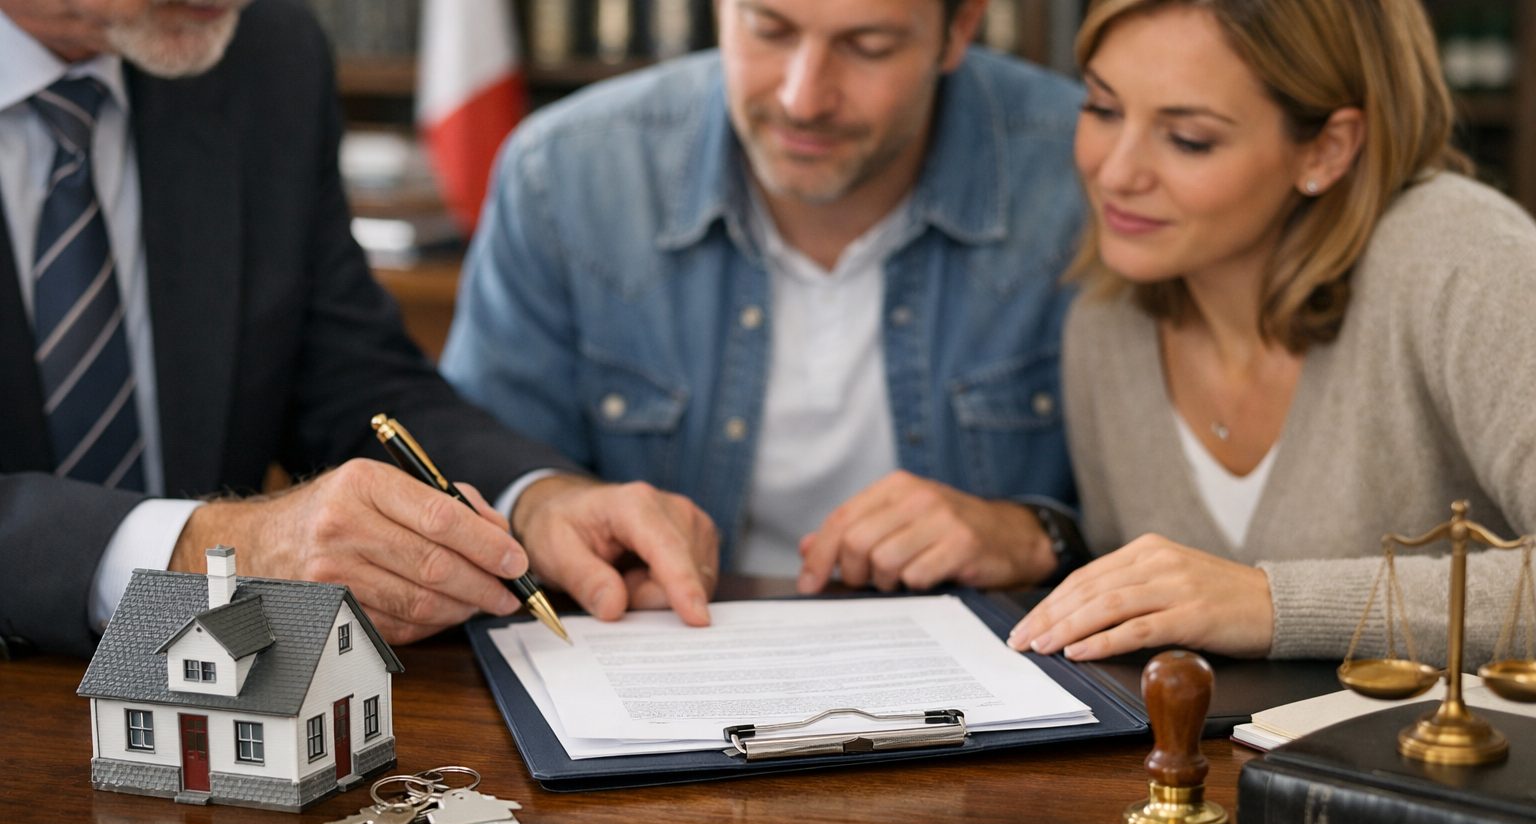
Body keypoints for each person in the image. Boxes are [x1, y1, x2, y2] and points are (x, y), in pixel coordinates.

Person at [0, 0, 717, 659]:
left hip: (225, 697)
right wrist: (206, 550)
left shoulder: (262, 51)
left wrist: (532, 501)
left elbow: (352, 380)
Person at [439, 0, 1086, 597]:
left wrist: (1036, 533)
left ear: (959, 31)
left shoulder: (1088, 171)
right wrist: (549, 507)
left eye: (868, 46)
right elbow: (483, 469)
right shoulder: (565, 174)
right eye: (768, 30)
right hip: (659, 664)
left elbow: (1166, 520)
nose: (803, 98)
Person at [1009, 0, 1536, 666]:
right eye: (1103, 110)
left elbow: (1236, 609)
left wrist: (1268, 601)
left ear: (1327, 148)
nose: (1115, 173)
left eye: (1189, 139)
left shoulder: (1469, 262)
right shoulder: (1105, 319)